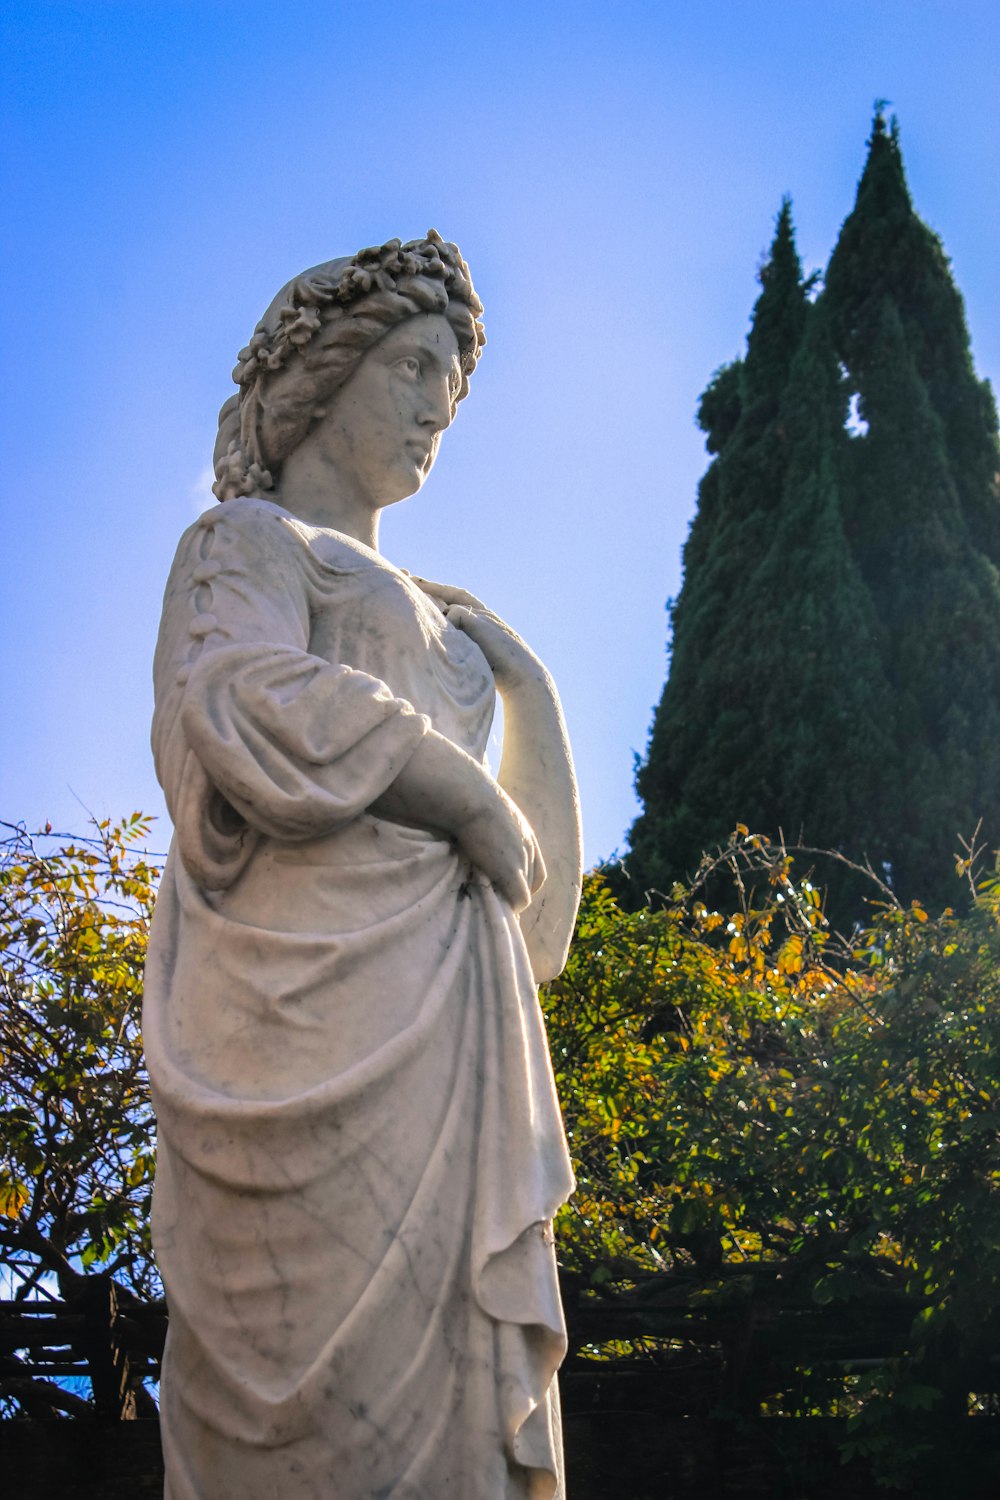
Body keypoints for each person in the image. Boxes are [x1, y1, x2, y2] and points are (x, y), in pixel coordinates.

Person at [143, 231, 583, 1500]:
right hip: (294, 1010)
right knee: (289, 1356)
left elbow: (530, 910)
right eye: (414, 365)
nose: (439, 400)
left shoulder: (440, 616)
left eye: (453, 381)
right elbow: (236, 698)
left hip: (447, 1014)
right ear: (328, 376)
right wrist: (452, 788)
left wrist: (527, 689)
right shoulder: (250, 543)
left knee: (449, 1363)